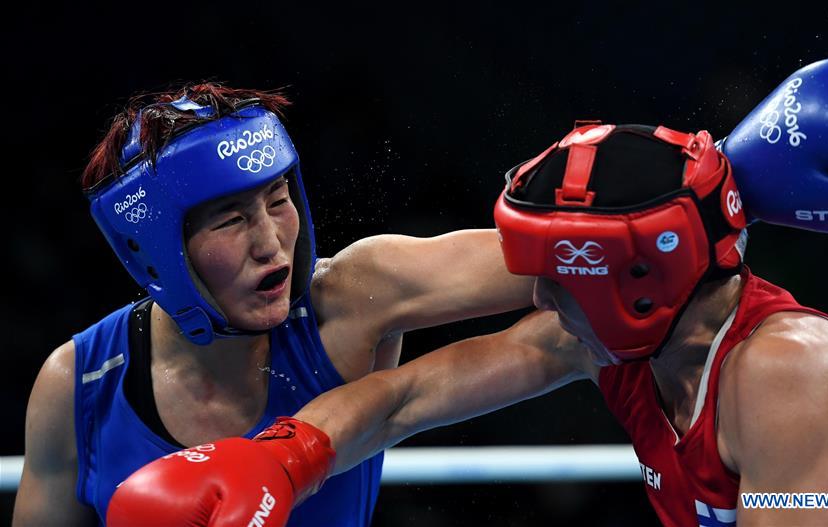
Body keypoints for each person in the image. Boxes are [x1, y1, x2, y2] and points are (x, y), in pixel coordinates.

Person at [108, 58, 828, 526]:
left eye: (559, 280)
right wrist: (282, 460)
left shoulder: (783, 369)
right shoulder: (614, 342)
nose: (537, 299)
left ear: (635, 291)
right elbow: (401, 396)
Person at [11, 84, 538, 527]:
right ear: (155, 251)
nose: (270, 241)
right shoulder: (78, 382)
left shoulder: (351, 299)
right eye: (231, 219)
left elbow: (568, 264)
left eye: (278, 199)